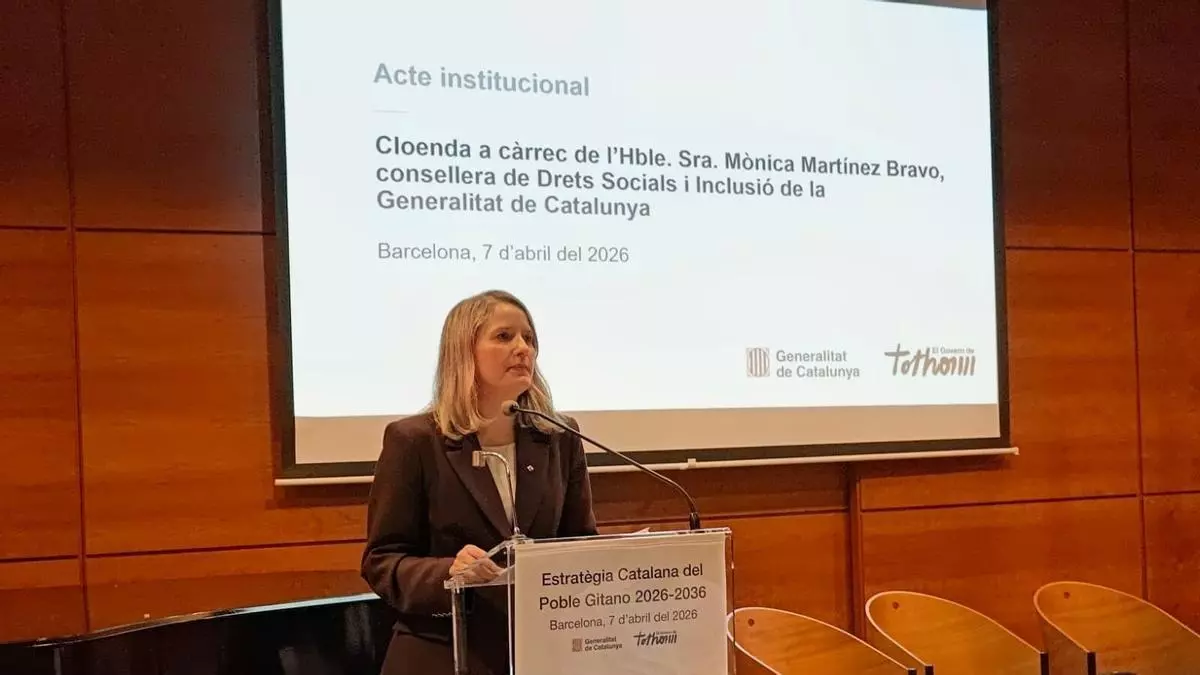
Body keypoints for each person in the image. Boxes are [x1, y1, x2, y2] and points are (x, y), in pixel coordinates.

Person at [361, 289, 599, 675]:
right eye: (504, 336)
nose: (523, 348)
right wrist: (448, 573)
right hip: (444, 652)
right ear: (463, 351)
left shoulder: (559, 436)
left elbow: (580, 543)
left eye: (529, 338)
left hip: (540, 652)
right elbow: (382, 562)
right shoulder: (414, 441)